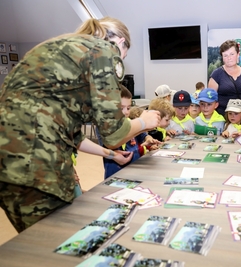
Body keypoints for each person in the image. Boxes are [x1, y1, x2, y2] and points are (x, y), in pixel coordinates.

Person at [0, 17, 160, 233]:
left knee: (37, 239)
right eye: (124, 55)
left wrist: (112, 155)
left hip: (9, 159)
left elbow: (71, 133)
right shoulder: (104, 51)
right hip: (37, 162)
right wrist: (143, 122)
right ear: (120, 42)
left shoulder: (61, 47)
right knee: (59, 239)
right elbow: (113, 134)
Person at [101, 87, 160, 179]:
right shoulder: (105, 127)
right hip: (115, 173)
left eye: (128, 108)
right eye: (121, 108)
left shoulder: (130, 122)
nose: (126, 112)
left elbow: (142, 135)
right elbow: (108, 146)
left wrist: (148, 138)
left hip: (134, 168)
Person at [208, 40, 241, 119]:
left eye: (232, 54)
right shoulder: (216, 75)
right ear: (222, 57)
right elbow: (210, 101)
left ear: (238, 54)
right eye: (225, 55)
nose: (229, 58)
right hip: (222, 119)